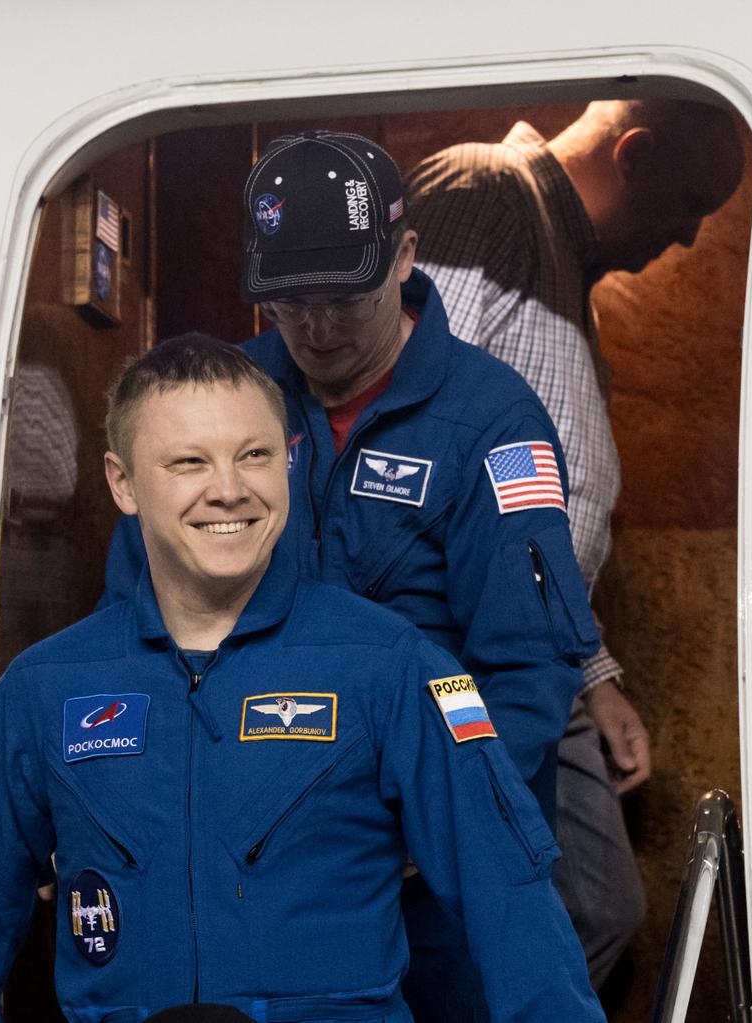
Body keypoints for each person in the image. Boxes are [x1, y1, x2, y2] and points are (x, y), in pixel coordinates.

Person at [0, 334, 604, 1023]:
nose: (229, 490)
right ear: (123, 483)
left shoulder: (391, 668)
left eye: (255, 456)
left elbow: (514, 907)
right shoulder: (43, 693)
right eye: (188, 462)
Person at [102, 133, 601, 1021]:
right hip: (252, 855)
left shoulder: (492, 422)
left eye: (345, 299)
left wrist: (423, 817)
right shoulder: (224, 398)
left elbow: (527, 674)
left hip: (436, 861)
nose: (320, 330)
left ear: (405, 259)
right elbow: (133, 621)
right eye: (293, 306)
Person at [406, 99, 745, 986]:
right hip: (457, 649)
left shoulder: (563, 271)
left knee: (597, 904)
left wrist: (595, 678)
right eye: (689, 207)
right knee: (461, 919)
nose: (684, 239)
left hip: (538, 656)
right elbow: (388, 431)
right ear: (633, 153)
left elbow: (540, 512)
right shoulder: (484, 196)